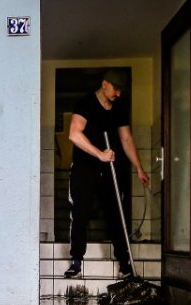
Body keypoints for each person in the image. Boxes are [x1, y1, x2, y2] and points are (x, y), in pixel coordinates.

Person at [63, 69, 150, 279]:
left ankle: (124, 263)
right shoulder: (85, 103)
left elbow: (126, 139)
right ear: (104, 84)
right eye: (115, 89)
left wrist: (139, 167)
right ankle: (76, 261)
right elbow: (74, 134)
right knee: (81, 212)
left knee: (116, 213)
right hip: (84, 167)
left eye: (121, 90)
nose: (118, 94)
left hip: (109, 168)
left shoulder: (119, 107)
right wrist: (99, 154)